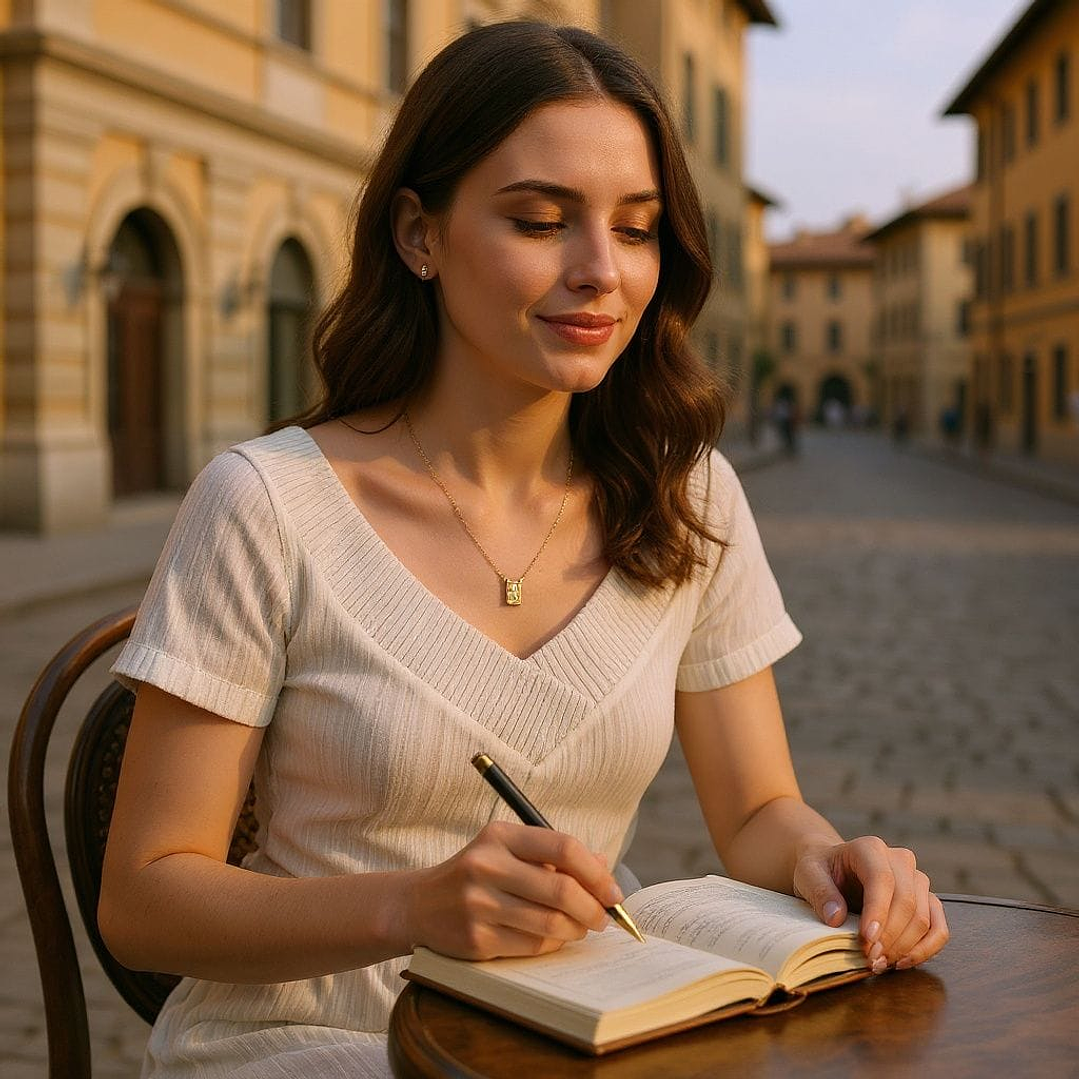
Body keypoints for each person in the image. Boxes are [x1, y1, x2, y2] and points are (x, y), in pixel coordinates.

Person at [99, 21, 948, 1079]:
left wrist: (825, 859)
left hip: (574, 1035)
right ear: (419, 234)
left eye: (635, 230)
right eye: (541, 220)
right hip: (302, 1041)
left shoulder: (688, 498)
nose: (599, 271)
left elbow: (755, 809)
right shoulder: (265, 503)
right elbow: (142, 897)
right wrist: (409, 905)